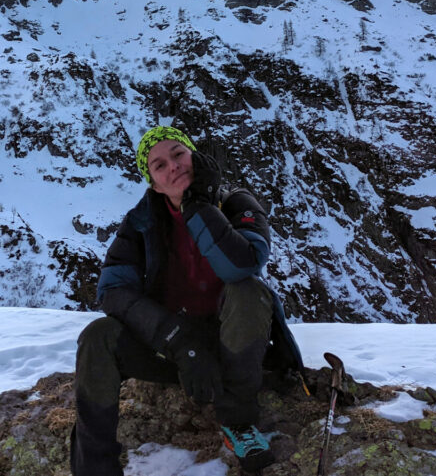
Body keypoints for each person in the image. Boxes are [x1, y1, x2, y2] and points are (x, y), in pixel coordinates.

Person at [71, 125, 304, 475]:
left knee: (248, 290)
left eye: (178, 154)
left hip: (232, 347)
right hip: (172, 347)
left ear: (194, 155)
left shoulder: (237, 202)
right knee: (97, 336)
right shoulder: (140, 223)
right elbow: (113, 292)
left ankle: (239, 421)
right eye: (159, 165)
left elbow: (242, 264)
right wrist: (178, 340)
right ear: (153, 182)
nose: (174, 166)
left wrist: (197, 205)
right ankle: (94, 467)